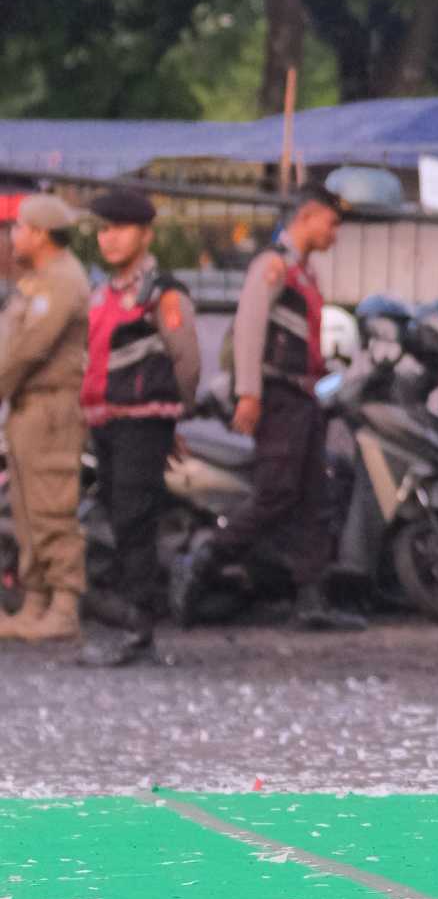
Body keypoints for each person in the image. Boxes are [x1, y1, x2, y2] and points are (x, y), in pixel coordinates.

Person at [184, 183, 360, 631]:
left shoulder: (303, 272)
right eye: (331, 223)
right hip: (278, 396)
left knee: (313, 499)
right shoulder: (273, 265)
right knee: (277, 492)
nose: (335, 233)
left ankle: (311, 600)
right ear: (308, 216)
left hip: (304, 398)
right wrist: (249, 393)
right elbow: (249, 328)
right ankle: (205, 560)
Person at [76, 184, 201, 670]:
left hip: (141, 425)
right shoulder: (102, 295)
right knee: (119, 518)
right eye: (104, 229)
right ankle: (133, 621)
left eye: (121, 228)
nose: (109, 238)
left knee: (134, 520)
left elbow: (186, 359)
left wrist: (173, 416)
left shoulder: (161, 294)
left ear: (146, 234)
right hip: (107, 425)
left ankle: (140, 629)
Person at [0, 195, 91, 646]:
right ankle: (35, 601)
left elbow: (28, 349)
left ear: (39, 233)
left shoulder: (62, 280)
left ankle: (64, 607)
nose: (12, 235)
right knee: (26, 508)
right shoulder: (36, 279)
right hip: (26, 407)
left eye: (18, 227)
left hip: (51, 408)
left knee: (52, 506)